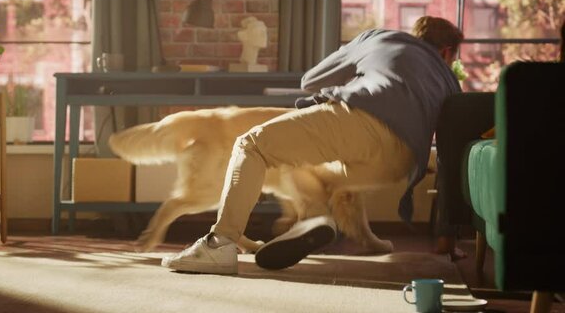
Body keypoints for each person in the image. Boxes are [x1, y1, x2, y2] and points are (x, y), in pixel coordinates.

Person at [161, 16, 464, 275]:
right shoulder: (451, 83)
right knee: (314, 173)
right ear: (448, 52)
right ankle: (315, 221)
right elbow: (450, 159)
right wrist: (446, 239)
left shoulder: (380, 37)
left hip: (363, 118)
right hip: (400, 162)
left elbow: (311, 80)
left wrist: (358, 69)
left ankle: (220, 244)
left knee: (250, 145)